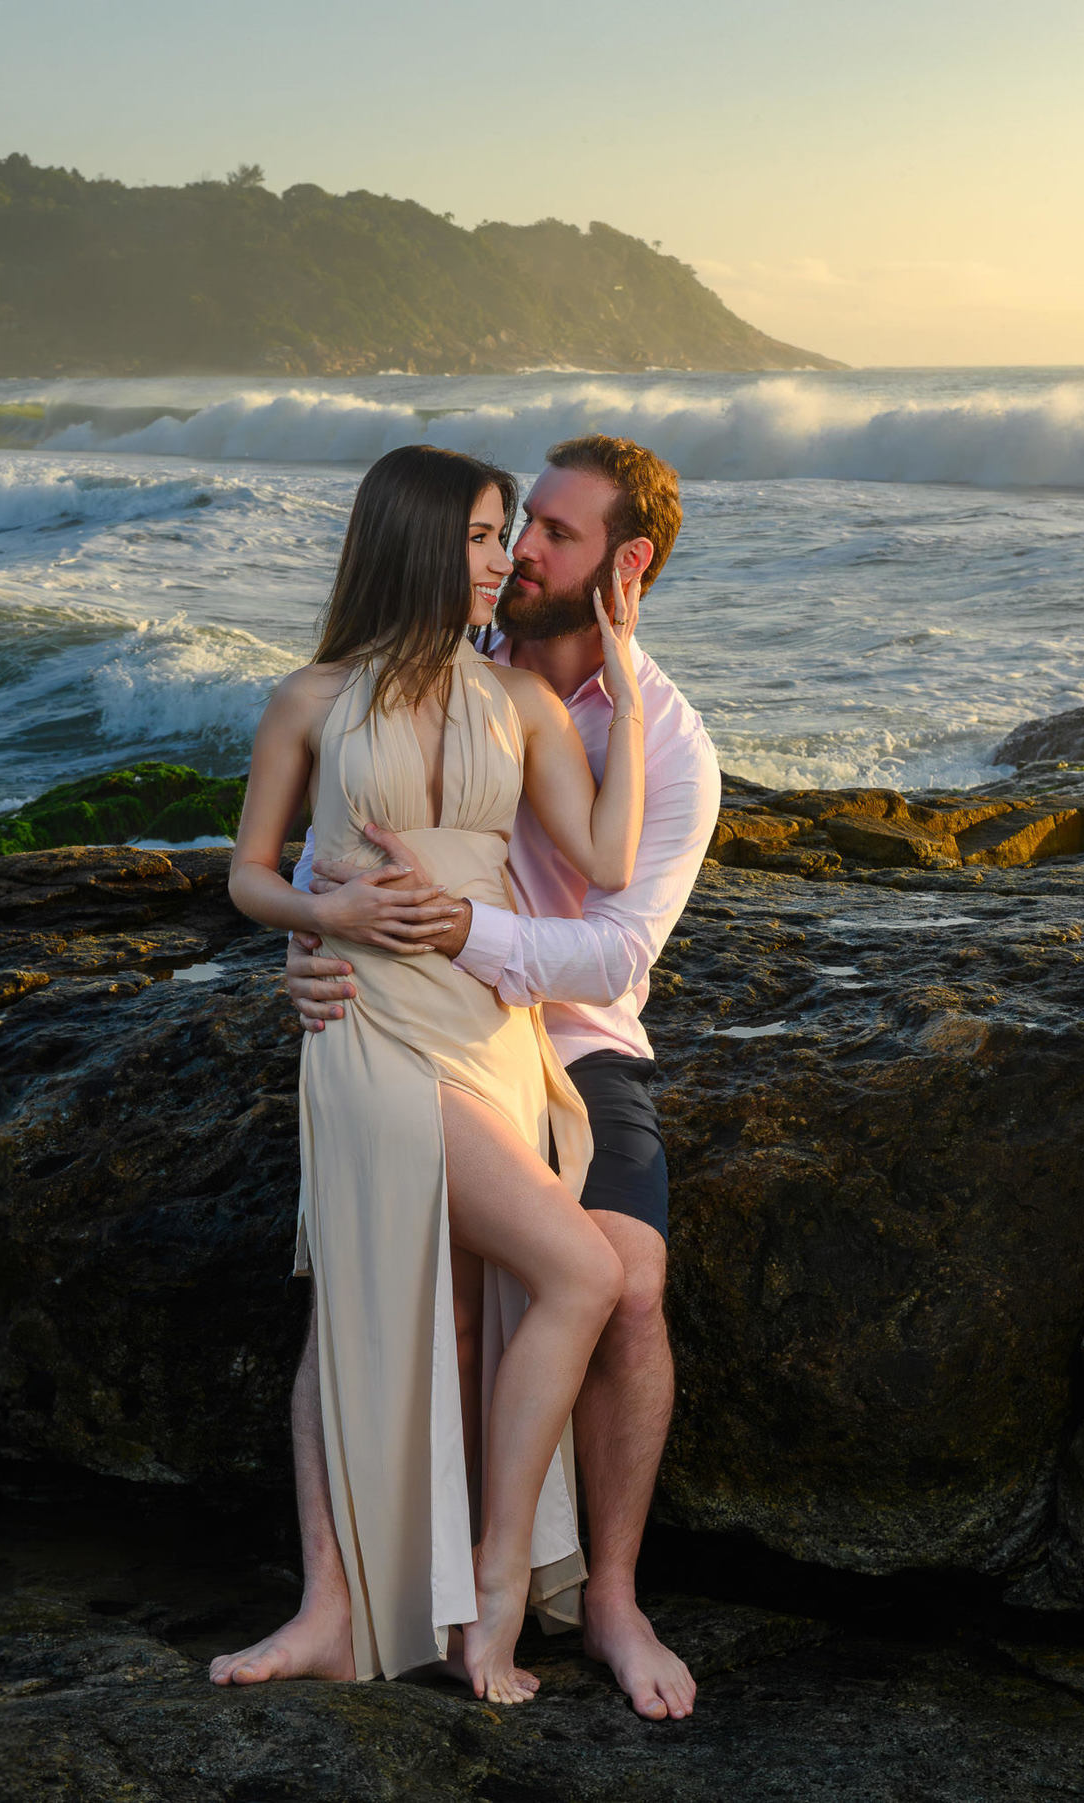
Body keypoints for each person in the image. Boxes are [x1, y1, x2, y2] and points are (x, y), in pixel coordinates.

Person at [213, 436, 721, 1722]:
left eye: (546, 534)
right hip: (401, 1024)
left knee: (623, 1280)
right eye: (508, 529)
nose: (522, 555)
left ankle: (595, 1592)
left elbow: (612, 934)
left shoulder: (650, 733)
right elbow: (298, 855)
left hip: (561, 1035)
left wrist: (459, 930)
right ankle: (362, 1601)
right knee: (385, 1279)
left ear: (626, 567)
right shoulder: (403, 678)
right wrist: (311, 941)